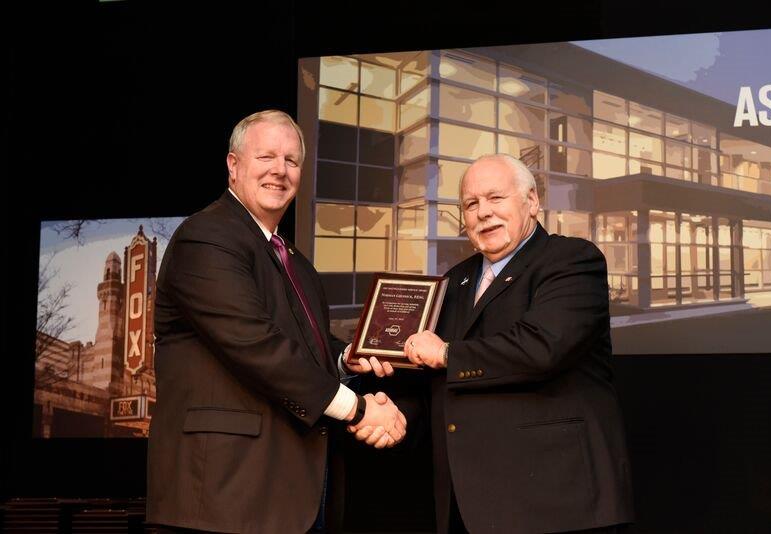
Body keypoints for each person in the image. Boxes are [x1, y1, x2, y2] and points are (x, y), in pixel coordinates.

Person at [146, 110, 405, 534]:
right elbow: (257, 346)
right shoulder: (206, 237)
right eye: (266, 156)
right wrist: (357, 409)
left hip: (295, 492)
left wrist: (346, 361)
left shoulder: (295, 261)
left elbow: (303, 346)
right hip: (224, 498)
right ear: (233, 166)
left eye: (291, 161)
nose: (279, 171)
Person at [357, 154, 634, 533]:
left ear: (532, 201)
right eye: (471, 204)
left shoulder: (571, 259)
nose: (483, 212)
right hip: (469, 504)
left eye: (495, 198)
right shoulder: (454, 281)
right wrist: (400, 415)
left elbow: (542, 347)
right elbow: (435, 380)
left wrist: (447, 353)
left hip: (556, 502)